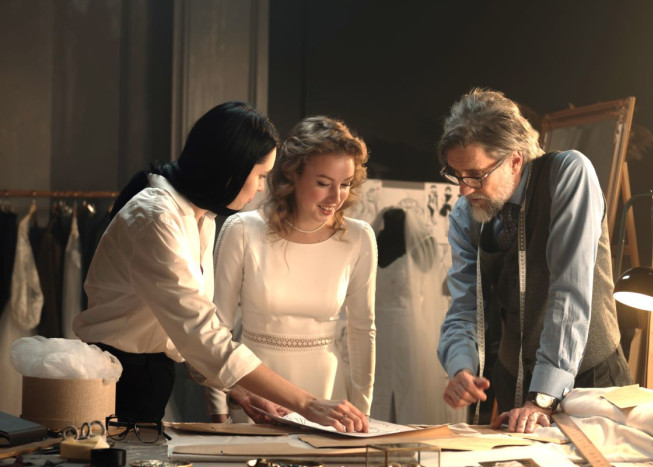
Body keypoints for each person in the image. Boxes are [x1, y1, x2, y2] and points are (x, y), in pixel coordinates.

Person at [73, 102, 368, 433]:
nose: (261, 187)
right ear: (230, 169)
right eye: (260, 176)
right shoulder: (157, 217)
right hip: (117, 379)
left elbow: (191, 335)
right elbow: (201, 333)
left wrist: (240, 391)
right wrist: (308, 404)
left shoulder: (203, 219)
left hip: (150, 375)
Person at [436, 88, 631, 433]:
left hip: (590, 377)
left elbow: (568, 293)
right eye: (456, 175)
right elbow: (465, 306)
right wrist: (461, 368)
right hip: (517, 383)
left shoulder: (569, 175)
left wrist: (543, 395)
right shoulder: (465, 216)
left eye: (475, 175)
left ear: (514, 159)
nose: (464, 190)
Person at [207, 116, 377, 422]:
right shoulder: (242, 230)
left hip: (329, 391)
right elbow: (216, 328)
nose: (336, 197)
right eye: (323, 183)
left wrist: (362, 412)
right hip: (257, 389)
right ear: (292, 175)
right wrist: (219, 409)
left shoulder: (359, 237)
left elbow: (362, 331)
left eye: (345, 184)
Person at [371, 206, 466, 425]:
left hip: (408, 329)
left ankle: (407, 443)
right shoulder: (371, 241)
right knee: (377, 384)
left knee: (408, 386)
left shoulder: (422, 245)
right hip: (375, 331)